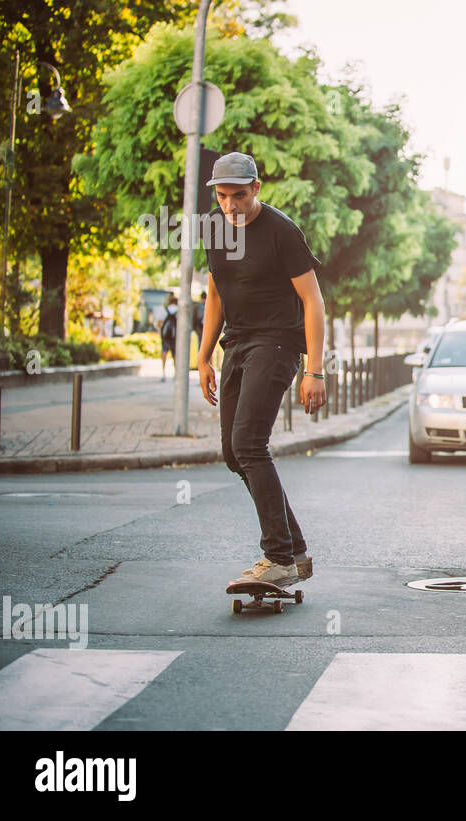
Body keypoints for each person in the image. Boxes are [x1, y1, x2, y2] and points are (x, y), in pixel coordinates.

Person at [196, 152, 327, 589]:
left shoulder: (282, 231)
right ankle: (295, 551)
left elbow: (313, 300)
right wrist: (203, 356)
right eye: (222, 196)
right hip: (236, 343)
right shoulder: (213, 227)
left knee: (249, 443)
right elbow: (215, 294)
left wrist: (315, 369)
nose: (230, 205)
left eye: (239, 195)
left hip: (277, 343)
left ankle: (277, 557)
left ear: (257, 188)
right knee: (234, 455)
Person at [159, 294, 178, 382]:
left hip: (165, 336)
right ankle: (175, 373)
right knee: (175, 355)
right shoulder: (179, 310)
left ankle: (163, 373)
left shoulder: (164, 310)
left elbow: (159, 323)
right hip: (175, 336)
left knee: (164, 353)